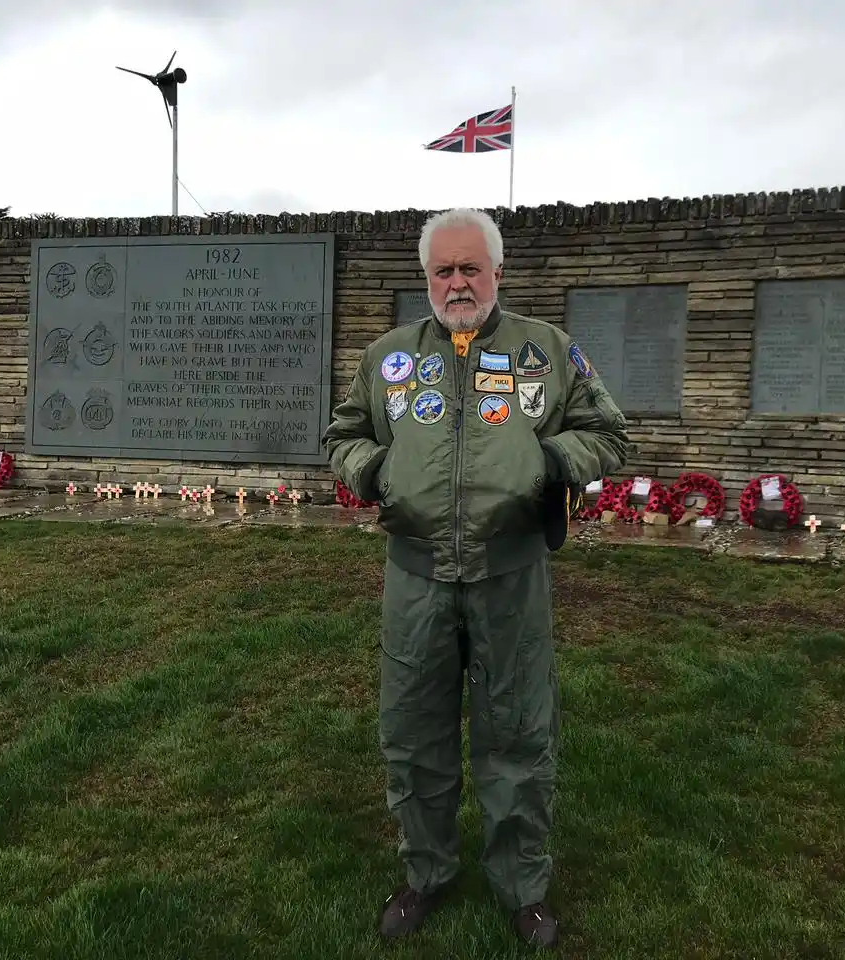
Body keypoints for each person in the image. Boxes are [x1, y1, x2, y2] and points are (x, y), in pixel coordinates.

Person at [322, 207, 632, 949]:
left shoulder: (547, 351)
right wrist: (380, 475)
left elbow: (608, 432)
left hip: (510, 575)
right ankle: (426, 873)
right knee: (413, 735)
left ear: (498, 271)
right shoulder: (390, 358)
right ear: (426, 279)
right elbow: (344, 436)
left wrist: (553, 464)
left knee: (518, 735)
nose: (457, 283)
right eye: (443, 271)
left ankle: (521, 888)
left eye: (470, 268)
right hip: (417, 577)